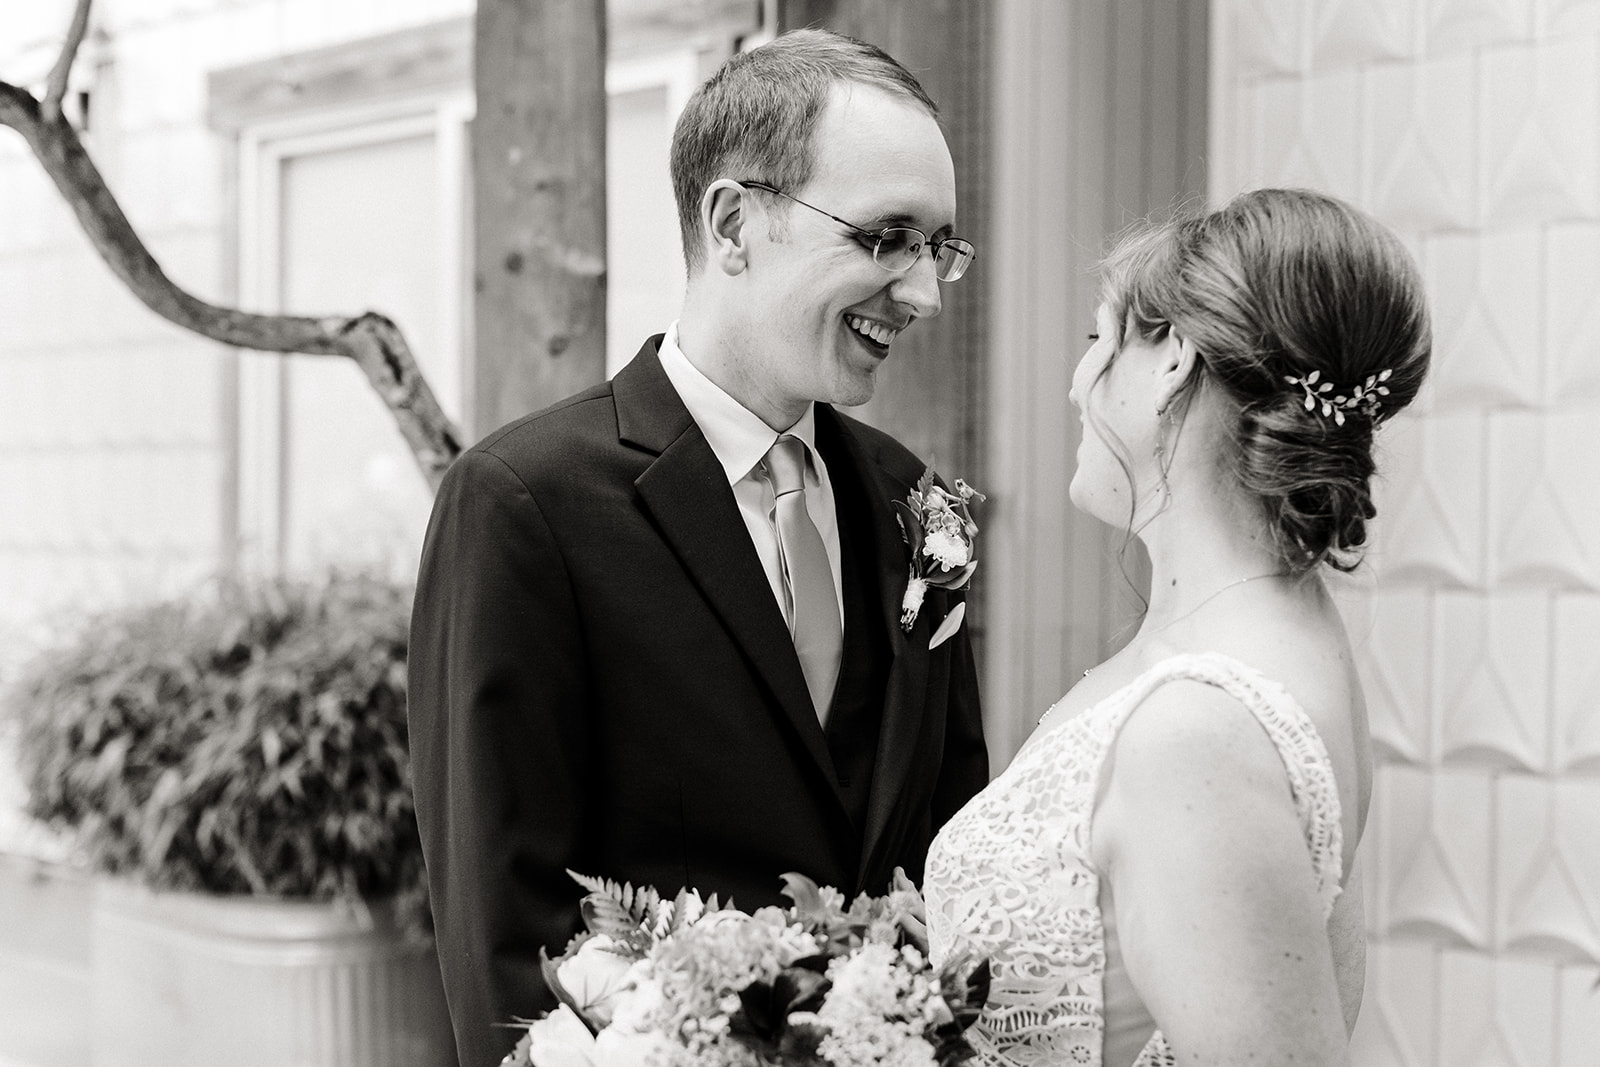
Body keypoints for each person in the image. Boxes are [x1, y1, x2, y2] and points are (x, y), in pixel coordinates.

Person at [407, 29, 990, 1067]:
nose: (924, 293)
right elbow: (503, 941)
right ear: (732, 223)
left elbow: (950, 854)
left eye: (938, 245)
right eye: (885, 237)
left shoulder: (915, 501)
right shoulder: (523, 503)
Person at [924, 188, 1431, 1066]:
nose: (1078, 384)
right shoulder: (1291, 635)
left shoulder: (1198, 729)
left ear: (1171, 360)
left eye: (1099, 341)